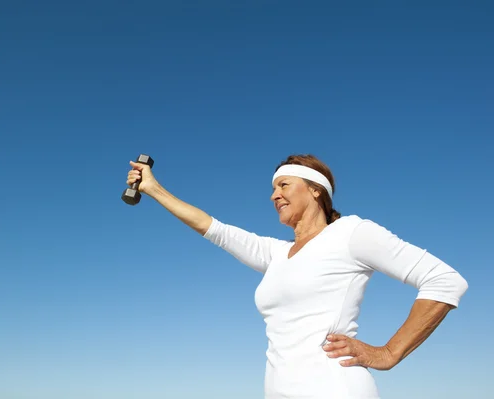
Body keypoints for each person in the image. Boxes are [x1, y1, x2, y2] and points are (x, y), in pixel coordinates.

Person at [125, 153, 468, 399]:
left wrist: (388, 353)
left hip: (334, 389)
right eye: (273, 189)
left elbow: (444, 280)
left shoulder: (351, 233)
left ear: (316, 190)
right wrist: (154, 190)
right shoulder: (277, 253)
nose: (274, 195)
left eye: (284, 185)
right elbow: (213, 228)